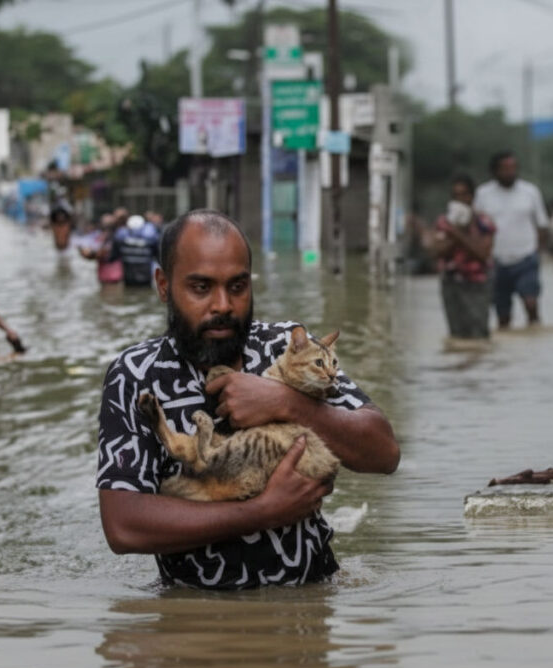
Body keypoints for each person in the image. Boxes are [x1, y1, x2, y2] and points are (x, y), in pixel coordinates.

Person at [96, 209, 400, 590]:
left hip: (309, 611)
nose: (223, 305)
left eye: (237, 287)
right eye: (201, 287)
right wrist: (262, 512)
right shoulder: (136, 375)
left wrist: (288, 402)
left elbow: (384, 453)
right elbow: (123, 526)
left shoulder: (286, 347)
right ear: (163, 285)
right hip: (197, 621)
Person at [473, 151, 550, 328]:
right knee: (503, 316)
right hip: (496, 262)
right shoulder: (483, 194)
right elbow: (476, 228)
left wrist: (538, 253)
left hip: (526, 258)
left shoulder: (530, 191)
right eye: (505, 169)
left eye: (513, 168)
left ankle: (534, 339)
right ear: (494, 171)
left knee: (531, 305)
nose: (510, 173)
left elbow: (542, 224)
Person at [431, 174, 497, 340]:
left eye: (464, 194)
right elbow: (438, 251)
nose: (460, 199)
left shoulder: (484, 222)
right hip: (451, 282)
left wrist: (459, 233)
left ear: (472, 196)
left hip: (477, 283)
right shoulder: (444, 222)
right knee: (457, 334)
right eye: (455, 196)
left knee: (479, 333)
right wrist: (454, 231)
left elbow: (483, 255)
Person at [111, 214, 159, 287]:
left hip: (128, 276)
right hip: (145, 275)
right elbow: (156, 255)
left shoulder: (121, 238)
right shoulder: (150, 238)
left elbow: (114, 255)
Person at [78, 213, 124, 285]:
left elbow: (101, 252)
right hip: (104, 274)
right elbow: (88, 249)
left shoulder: (118, 235)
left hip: (114, 274)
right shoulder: (98, 236)